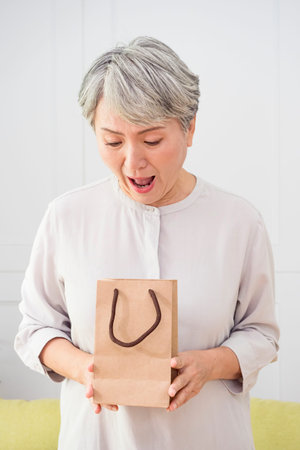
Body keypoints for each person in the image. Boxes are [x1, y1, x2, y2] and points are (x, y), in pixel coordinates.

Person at [15, 36, 279, 449]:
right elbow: (35, 329)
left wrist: (209, 365)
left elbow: (262, 334)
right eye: (113, 141)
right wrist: (86, 369)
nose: (133, 162)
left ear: (190, 128)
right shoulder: (67, 217)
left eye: (152, 140)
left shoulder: (239, 222)